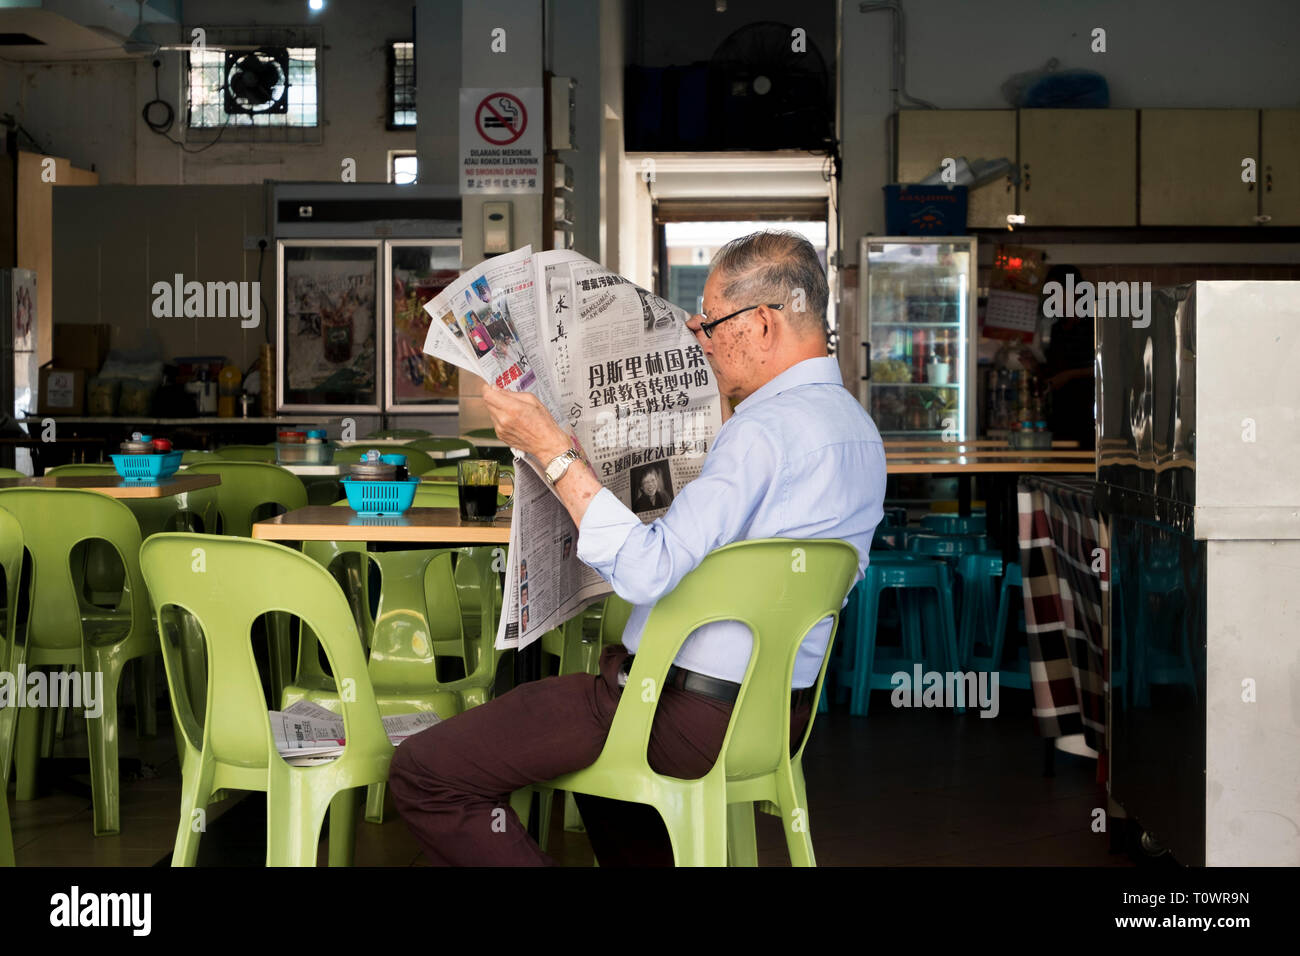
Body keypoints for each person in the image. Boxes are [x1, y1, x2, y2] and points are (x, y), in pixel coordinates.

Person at [388, 230, 886, 865]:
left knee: (426, 773)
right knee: (600, 776)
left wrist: (552, 450)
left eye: (710, 323)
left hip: (679, 716)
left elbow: (648, 573)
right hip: (776, 719)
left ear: (763, 325)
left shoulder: (764, 431)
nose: (698, 338)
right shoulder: (858, 431)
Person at [1020, 263, 1096, 450]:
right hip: (1061, 416)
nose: (1052, 300)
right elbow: (1054, 374)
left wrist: (1070, 375)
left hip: (1091, 419)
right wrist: (1035, 367)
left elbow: (1109, 367)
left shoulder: (1096, 323)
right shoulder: (1058, 329)